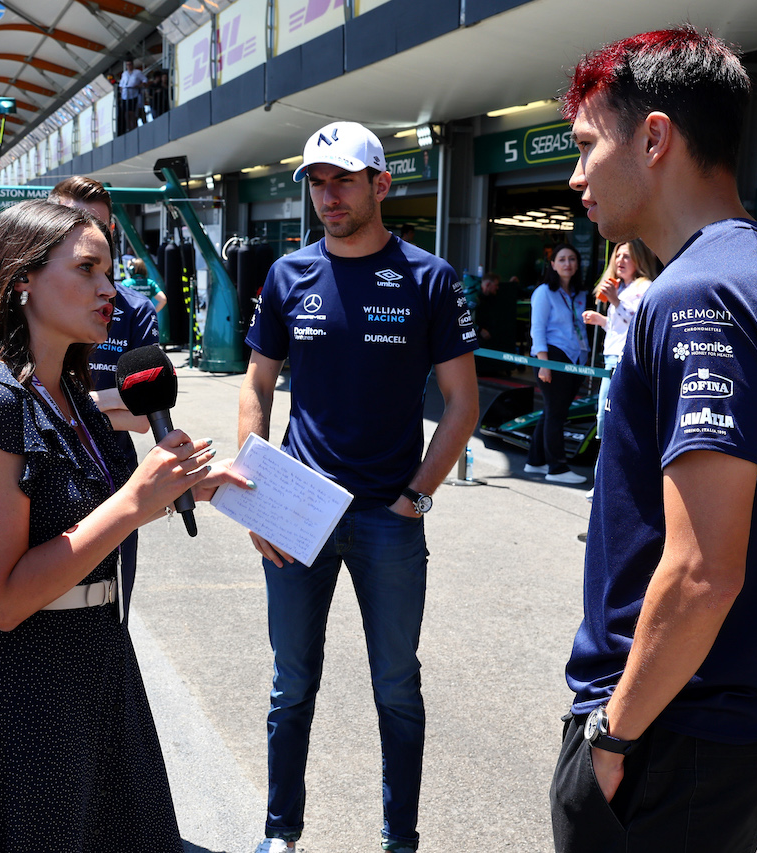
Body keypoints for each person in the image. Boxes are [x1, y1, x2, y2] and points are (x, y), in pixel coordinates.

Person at [550, 26, 757, 853]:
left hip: (666, 739)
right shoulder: (751, 269)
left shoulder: (699, 293)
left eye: (588, 146)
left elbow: (703, 569)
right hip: (705, 733)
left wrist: (613, 738)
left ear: (656, 138)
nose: (575, 176)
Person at [0, 200, 249, 852]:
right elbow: (2, 599)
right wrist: (134, 502)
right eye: (88, 269)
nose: (110, 290)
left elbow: (92, 504)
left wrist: (194, 483)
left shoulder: (70, 395)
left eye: (111, 270)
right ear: (21, 280)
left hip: (96, 665)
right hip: (23, 690)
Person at [239, 121, 480, 853]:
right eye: (317, 181)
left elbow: (462, 403)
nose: (327, 195)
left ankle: (398, 838)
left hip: (387, 516)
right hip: (299, 511)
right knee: (291, 687)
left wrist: (418, 494)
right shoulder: (288, 275)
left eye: (343, 179)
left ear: (381, 184)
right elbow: (257, 385)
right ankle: (281, 833)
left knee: (397, 688)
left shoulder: (429, 278)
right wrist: (256, 493)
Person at [48, 175, 159, 615]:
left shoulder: (134, 310)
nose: (87, 235)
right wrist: (109, 402)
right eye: (71, 221)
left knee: (109, 614)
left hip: (112, 479)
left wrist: (56, 407)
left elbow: (143, 416)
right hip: (41, 475)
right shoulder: (31, 303)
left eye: (97, 225)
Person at [524, 243, 589, 485]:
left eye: (572, 259)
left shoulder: (580, 293)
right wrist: (544, 364)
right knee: (557, 414)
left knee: (552, 410)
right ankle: (557, 467)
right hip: (552, 356)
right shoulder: (544, 292)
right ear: (553, 264)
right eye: (562, 259)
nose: (567, 264)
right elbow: (537, 329)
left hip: (576, 358)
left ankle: (535, 461)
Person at [581, 239, 658, 440]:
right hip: (611, 357)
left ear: (639, 259)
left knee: (610, 413)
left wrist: (615, 301)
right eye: (617, 255)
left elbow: (638, 322)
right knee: (604, 413)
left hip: (624, 359)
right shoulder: (621, 287)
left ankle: (607, 460)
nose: (619, 260)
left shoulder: (645, 286)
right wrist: (602, 321)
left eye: (626, 256)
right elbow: (620, 328)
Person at [117, 58, 146, 134]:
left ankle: (134, 127)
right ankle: (128, 128)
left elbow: (145, 80)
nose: (129, 66)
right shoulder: (124, 74)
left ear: (132, 65)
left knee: (132, 113)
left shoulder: (137, 72)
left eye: (130, 64)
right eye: (127, 65)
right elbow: (121, 85)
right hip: (125, 96)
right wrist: (121, 91)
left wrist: (139, 86)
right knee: (126, 113)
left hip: (133, 95)